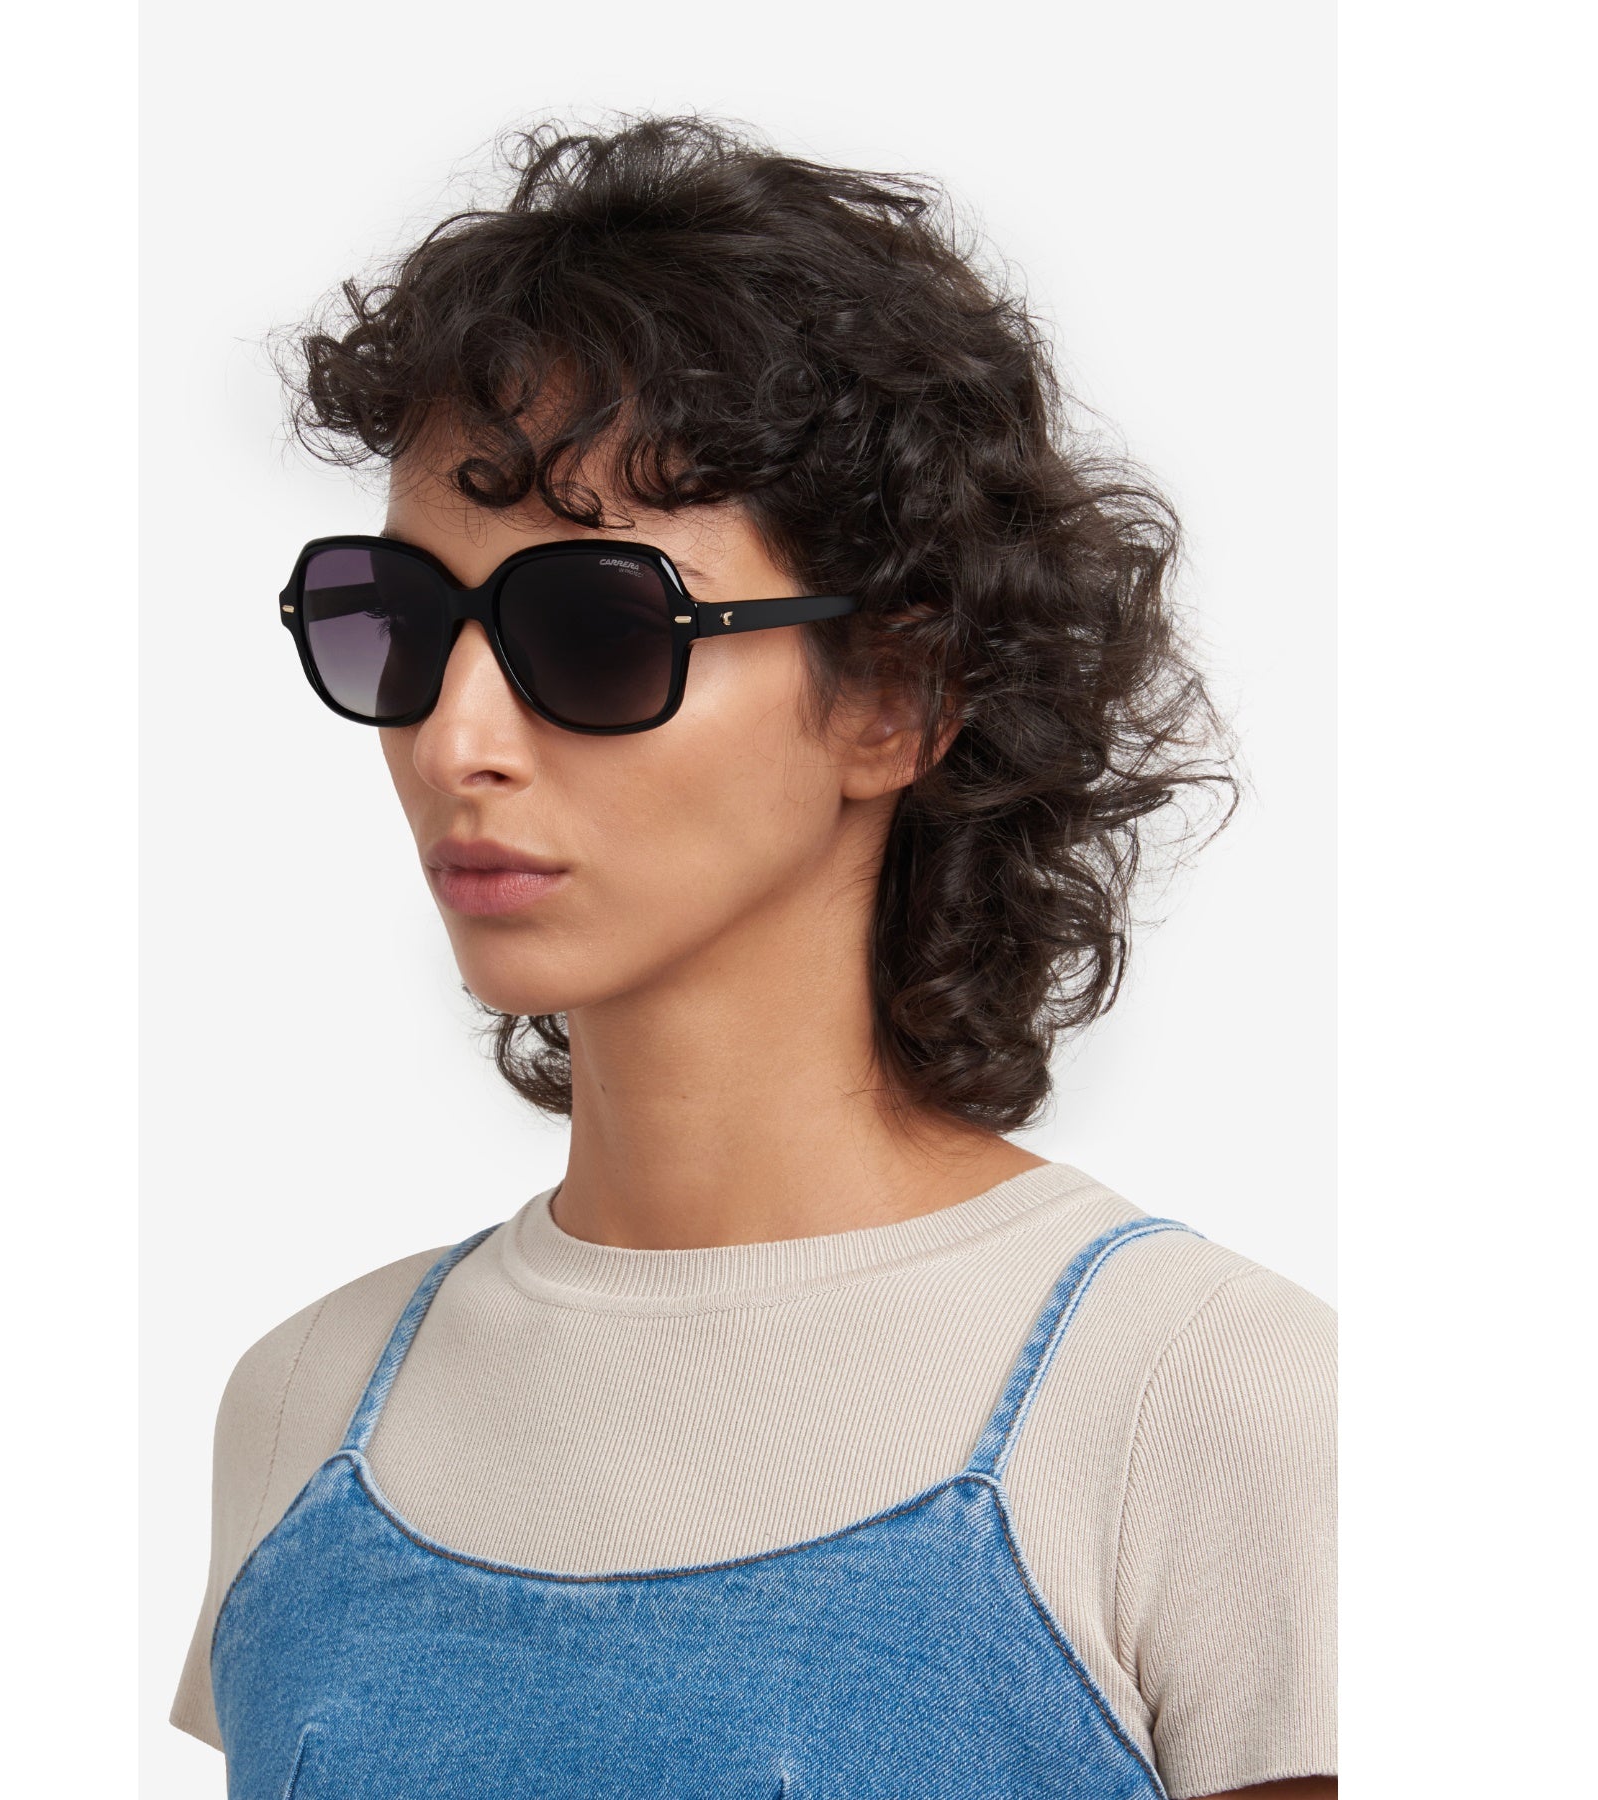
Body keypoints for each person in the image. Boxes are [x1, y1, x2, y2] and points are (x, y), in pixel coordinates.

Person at [169, 115, 1337, 1799]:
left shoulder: (1211, 1402)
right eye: (402, 623)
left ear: (897, 694)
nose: (455, 740)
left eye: (596, 628)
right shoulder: (303, 1405)